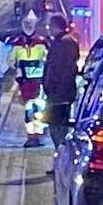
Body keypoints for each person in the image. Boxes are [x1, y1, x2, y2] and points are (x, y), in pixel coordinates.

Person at [9, 11, 48, 148]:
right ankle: (32, 135)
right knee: (29, 109)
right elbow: (11, 61)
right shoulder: (18, 43)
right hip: (26, 82)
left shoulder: (42, 42)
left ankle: (39, 134)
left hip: (39, 81)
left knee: (40, 108)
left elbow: (48, 60)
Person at [42, 14, 79, 150]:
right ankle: (61, 157)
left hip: (59, 94)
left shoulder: (62, 43)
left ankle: (61, 158)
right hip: (62, 92)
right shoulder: (66, 41)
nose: (48, 29)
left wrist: (51, 87)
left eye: (49, 26)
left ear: (55, 26)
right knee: (57, 126)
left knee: (57, 128)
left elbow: (60, 69)